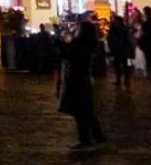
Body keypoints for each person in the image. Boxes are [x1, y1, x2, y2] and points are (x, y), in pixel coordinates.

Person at [56, 14, 107, 151]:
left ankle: (86, 139)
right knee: (87, 109)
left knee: (80, 110)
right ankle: (98, 136)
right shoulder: (89, 43)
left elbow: (68, 54)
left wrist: (61, 42)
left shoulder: (81, 44)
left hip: (77, 78)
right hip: (83, 78)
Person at [106, 14, 135, 90]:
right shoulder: (118, 28)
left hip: (121, 49)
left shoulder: (121, 29)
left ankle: (125, 80)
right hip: (118, 49)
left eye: (115, 20)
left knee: (123, 66)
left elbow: (126, 39)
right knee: (119, 65)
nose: (114, 21)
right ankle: (121, 80)